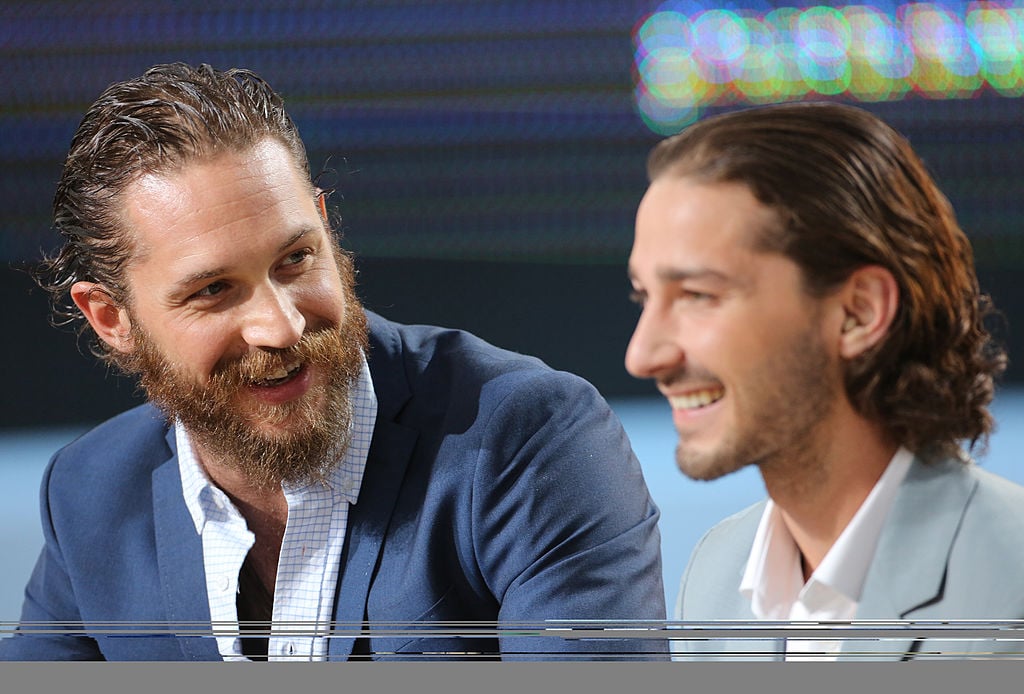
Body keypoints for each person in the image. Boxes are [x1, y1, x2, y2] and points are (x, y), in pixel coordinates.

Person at [0, 63, 666, 661]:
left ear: (324, 223)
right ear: (111, 319)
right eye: (213, 291)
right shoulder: (88, 493)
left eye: (296, 258)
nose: (282, 325)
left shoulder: (529, 442)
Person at [624, 102, 1024, 660]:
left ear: (858, 312)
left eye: (697, 295)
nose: (642, 355)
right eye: (644, 297)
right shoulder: (713, 577)